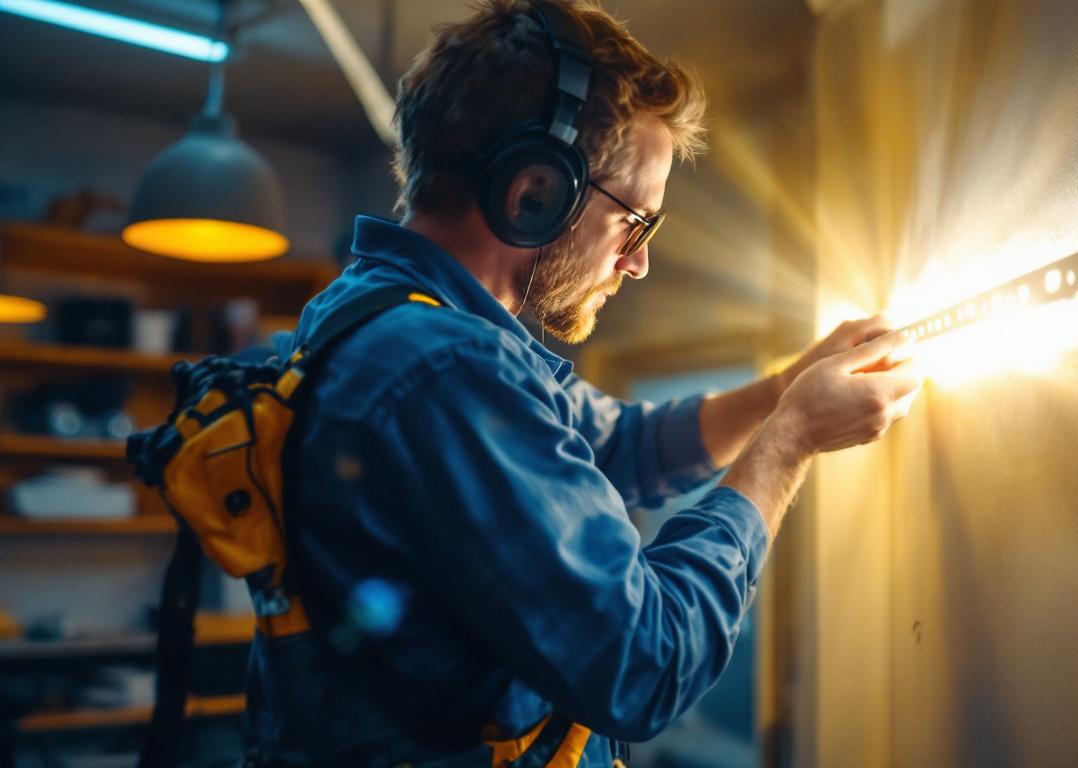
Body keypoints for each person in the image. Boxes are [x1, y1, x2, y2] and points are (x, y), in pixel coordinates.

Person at [245, 1, 921, 765]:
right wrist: (789, 442)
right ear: (535, 191)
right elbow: (646, 662)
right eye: (635, 221)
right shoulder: (446, 370)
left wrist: (781, 389)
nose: (637, 262)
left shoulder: (380, 316)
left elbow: (619, 447)